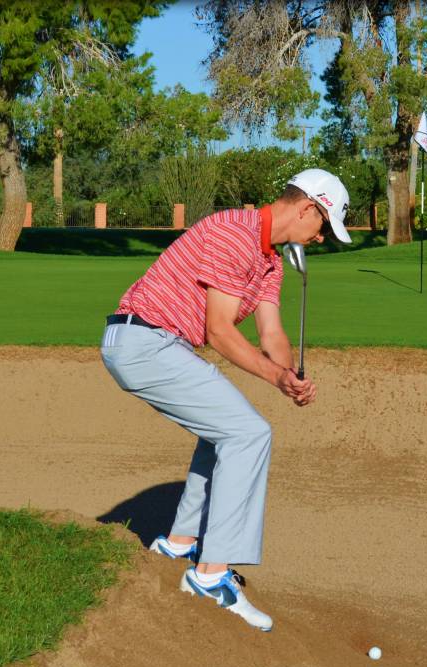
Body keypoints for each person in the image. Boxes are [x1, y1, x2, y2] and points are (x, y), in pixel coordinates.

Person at [100, 169, 352, 632]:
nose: (320, 238)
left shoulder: (270, 261)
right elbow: (218, 330)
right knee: (249, 433)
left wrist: (291, 375)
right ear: (307, 209)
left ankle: (179, 541)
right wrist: (274, 376)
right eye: (322, 227)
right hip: (142, 341)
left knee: (225, 431)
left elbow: (270, 333)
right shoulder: (233, 233)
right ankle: (210, 576)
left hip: (160, 345)